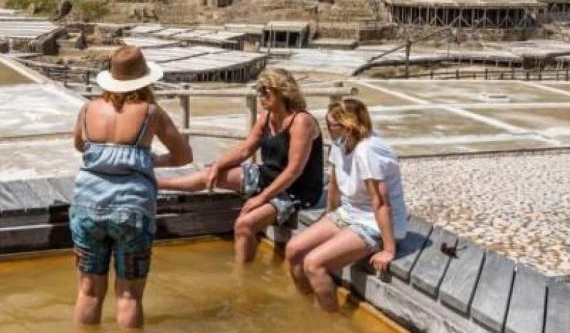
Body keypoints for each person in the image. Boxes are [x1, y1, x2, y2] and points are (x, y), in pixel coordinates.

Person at [70, 46, 193, 329]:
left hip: (87, 205)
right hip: (132, 210)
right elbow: (184, 156)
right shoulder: (151, 113)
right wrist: (149, 160)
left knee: (88, 292)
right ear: (145, 79)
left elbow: (80, 145)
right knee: (129, 296)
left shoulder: (88, 109)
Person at [158, 68, 324, 263]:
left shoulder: (301, 121)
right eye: (259, 90)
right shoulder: (265, 117)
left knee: (244, 225)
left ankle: (242, 279)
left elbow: (293, 170)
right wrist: (217, 166)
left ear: (281, 91)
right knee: (209, 174)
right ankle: (157, 183)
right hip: (268, 175)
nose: (260, 95)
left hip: (296, 190)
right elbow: (245, 150)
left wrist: (260, 199)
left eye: (265, 90)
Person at [286, 98, 407, 313]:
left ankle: (332, 321)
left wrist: (389, 249)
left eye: (330, 125)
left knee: (314, 264)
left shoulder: (367, 151)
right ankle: (307, 306)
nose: (326, 128)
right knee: (293, 249)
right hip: (349, 213)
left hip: (374, 223)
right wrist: (329, 214)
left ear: (348, 127)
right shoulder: (340, 143)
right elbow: (334, 183)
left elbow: (380, 202)